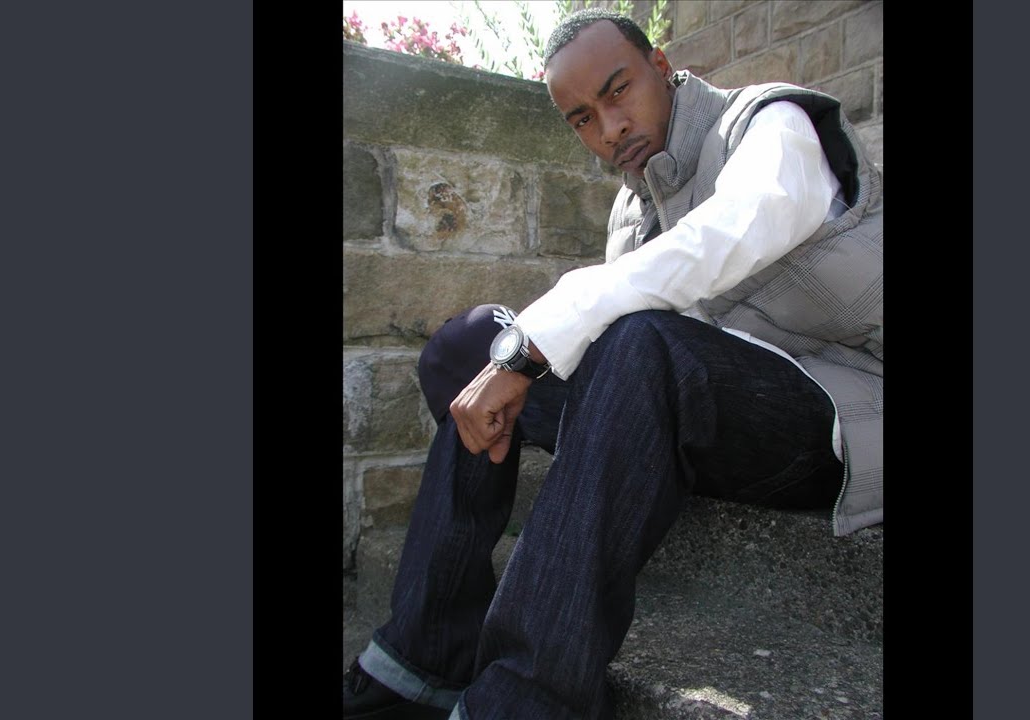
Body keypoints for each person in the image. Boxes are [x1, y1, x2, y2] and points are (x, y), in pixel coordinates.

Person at [343, 8, 883, 720]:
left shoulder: (770, 124)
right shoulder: (633, 214)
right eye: (582, 118)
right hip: (708, 414)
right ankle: (423, 658)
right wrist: (512, 354)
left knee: (634, 342)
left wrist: (534, 344)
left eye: (618, 90)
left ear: (661, 66)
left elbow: (741, 227)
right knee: (467, 348)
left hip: (846, 416)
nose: (609, 128)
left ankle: (528, 700)